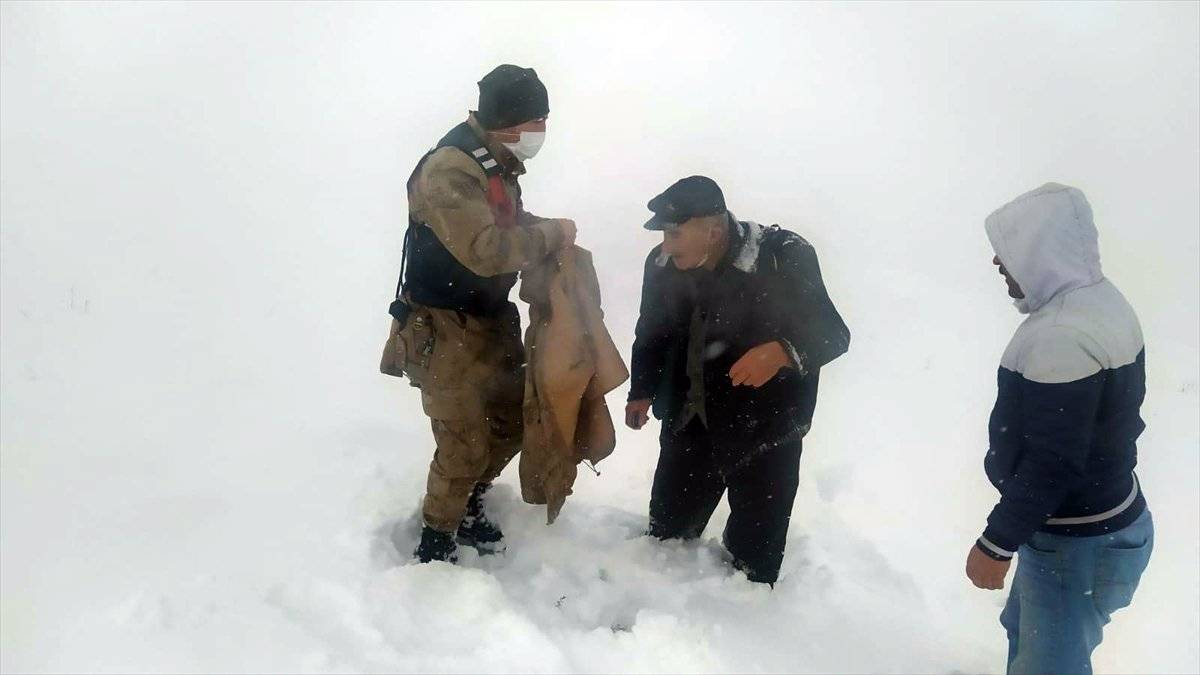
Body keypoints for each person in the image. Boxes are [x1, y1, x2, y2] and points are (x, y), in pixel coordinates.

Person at [384, 64, 576, 563]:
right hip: (445, 329)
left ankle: (467, 502)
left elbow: (503, 222)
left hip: (490, 320)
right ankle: (436, 540)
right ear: (510, 123)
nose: (542, 132)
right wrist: (552, 235)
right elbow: (485, 249)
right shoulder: (451, 168)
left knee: (510, 423)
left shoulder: (496, 160)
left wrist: (544, 229)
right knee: (463, 442)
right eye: (538, 121)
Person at [966, 183, 1153, 674]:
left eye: (1005, 253)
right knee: (1028, 636)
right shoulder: (1100, 301)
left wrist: (996, 543)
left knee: (1050, 666)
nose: (997, 264)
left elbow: (1053, 462)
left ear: (1037, 251)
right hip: (1089, 526)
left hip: (1077, 544)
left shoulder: (1062, 336)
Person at [625, 175, 850, 584]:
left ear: (713, 230)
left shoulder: (782, 257)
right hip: (689, 421)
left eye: (676, 234)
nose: (666, 246)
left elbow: (833, 334)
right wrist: (641, 389)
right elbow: (652, 331)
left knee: (753, 568)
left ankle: (745, 636)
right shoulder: (662, 263)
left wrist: (782, 352)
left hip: (765, 431)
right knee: (666, 539)